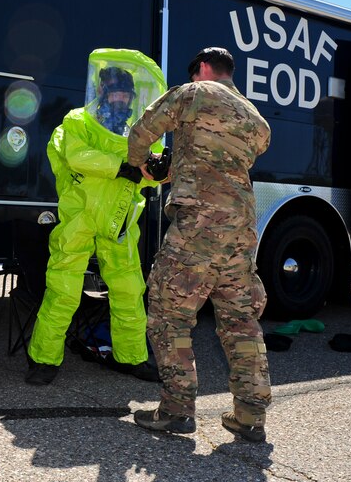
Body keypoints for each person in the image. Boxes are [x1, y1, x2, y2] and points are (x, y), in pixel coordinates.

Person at [128, 47, 272, 442]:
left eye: (195, 71)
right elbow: (224, 158)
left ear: (204, 69)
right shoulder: (256, 121)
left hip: (200, 226)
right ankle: (250, 415)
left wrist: (141, 162)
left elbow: (143, 130)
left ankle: (176, 409)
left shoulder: (194, 93)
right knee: (240, 320)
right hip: (241, 228)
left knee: (167, 311)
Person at [26, 48, 166, 386]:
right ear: (101, 91)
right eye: (115, 91)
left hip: (120, 219)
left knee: (130, 289)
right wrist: (121, 167)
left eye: (126, 93)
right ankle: (44, 359)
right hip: (80, 218)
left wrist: (159, 171)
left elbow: (152, 169)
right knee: (64, 288)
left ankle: (131, 356)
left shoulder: (139, 131)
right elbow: (77, 156)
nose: (120, 98)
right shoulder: (77, 121)